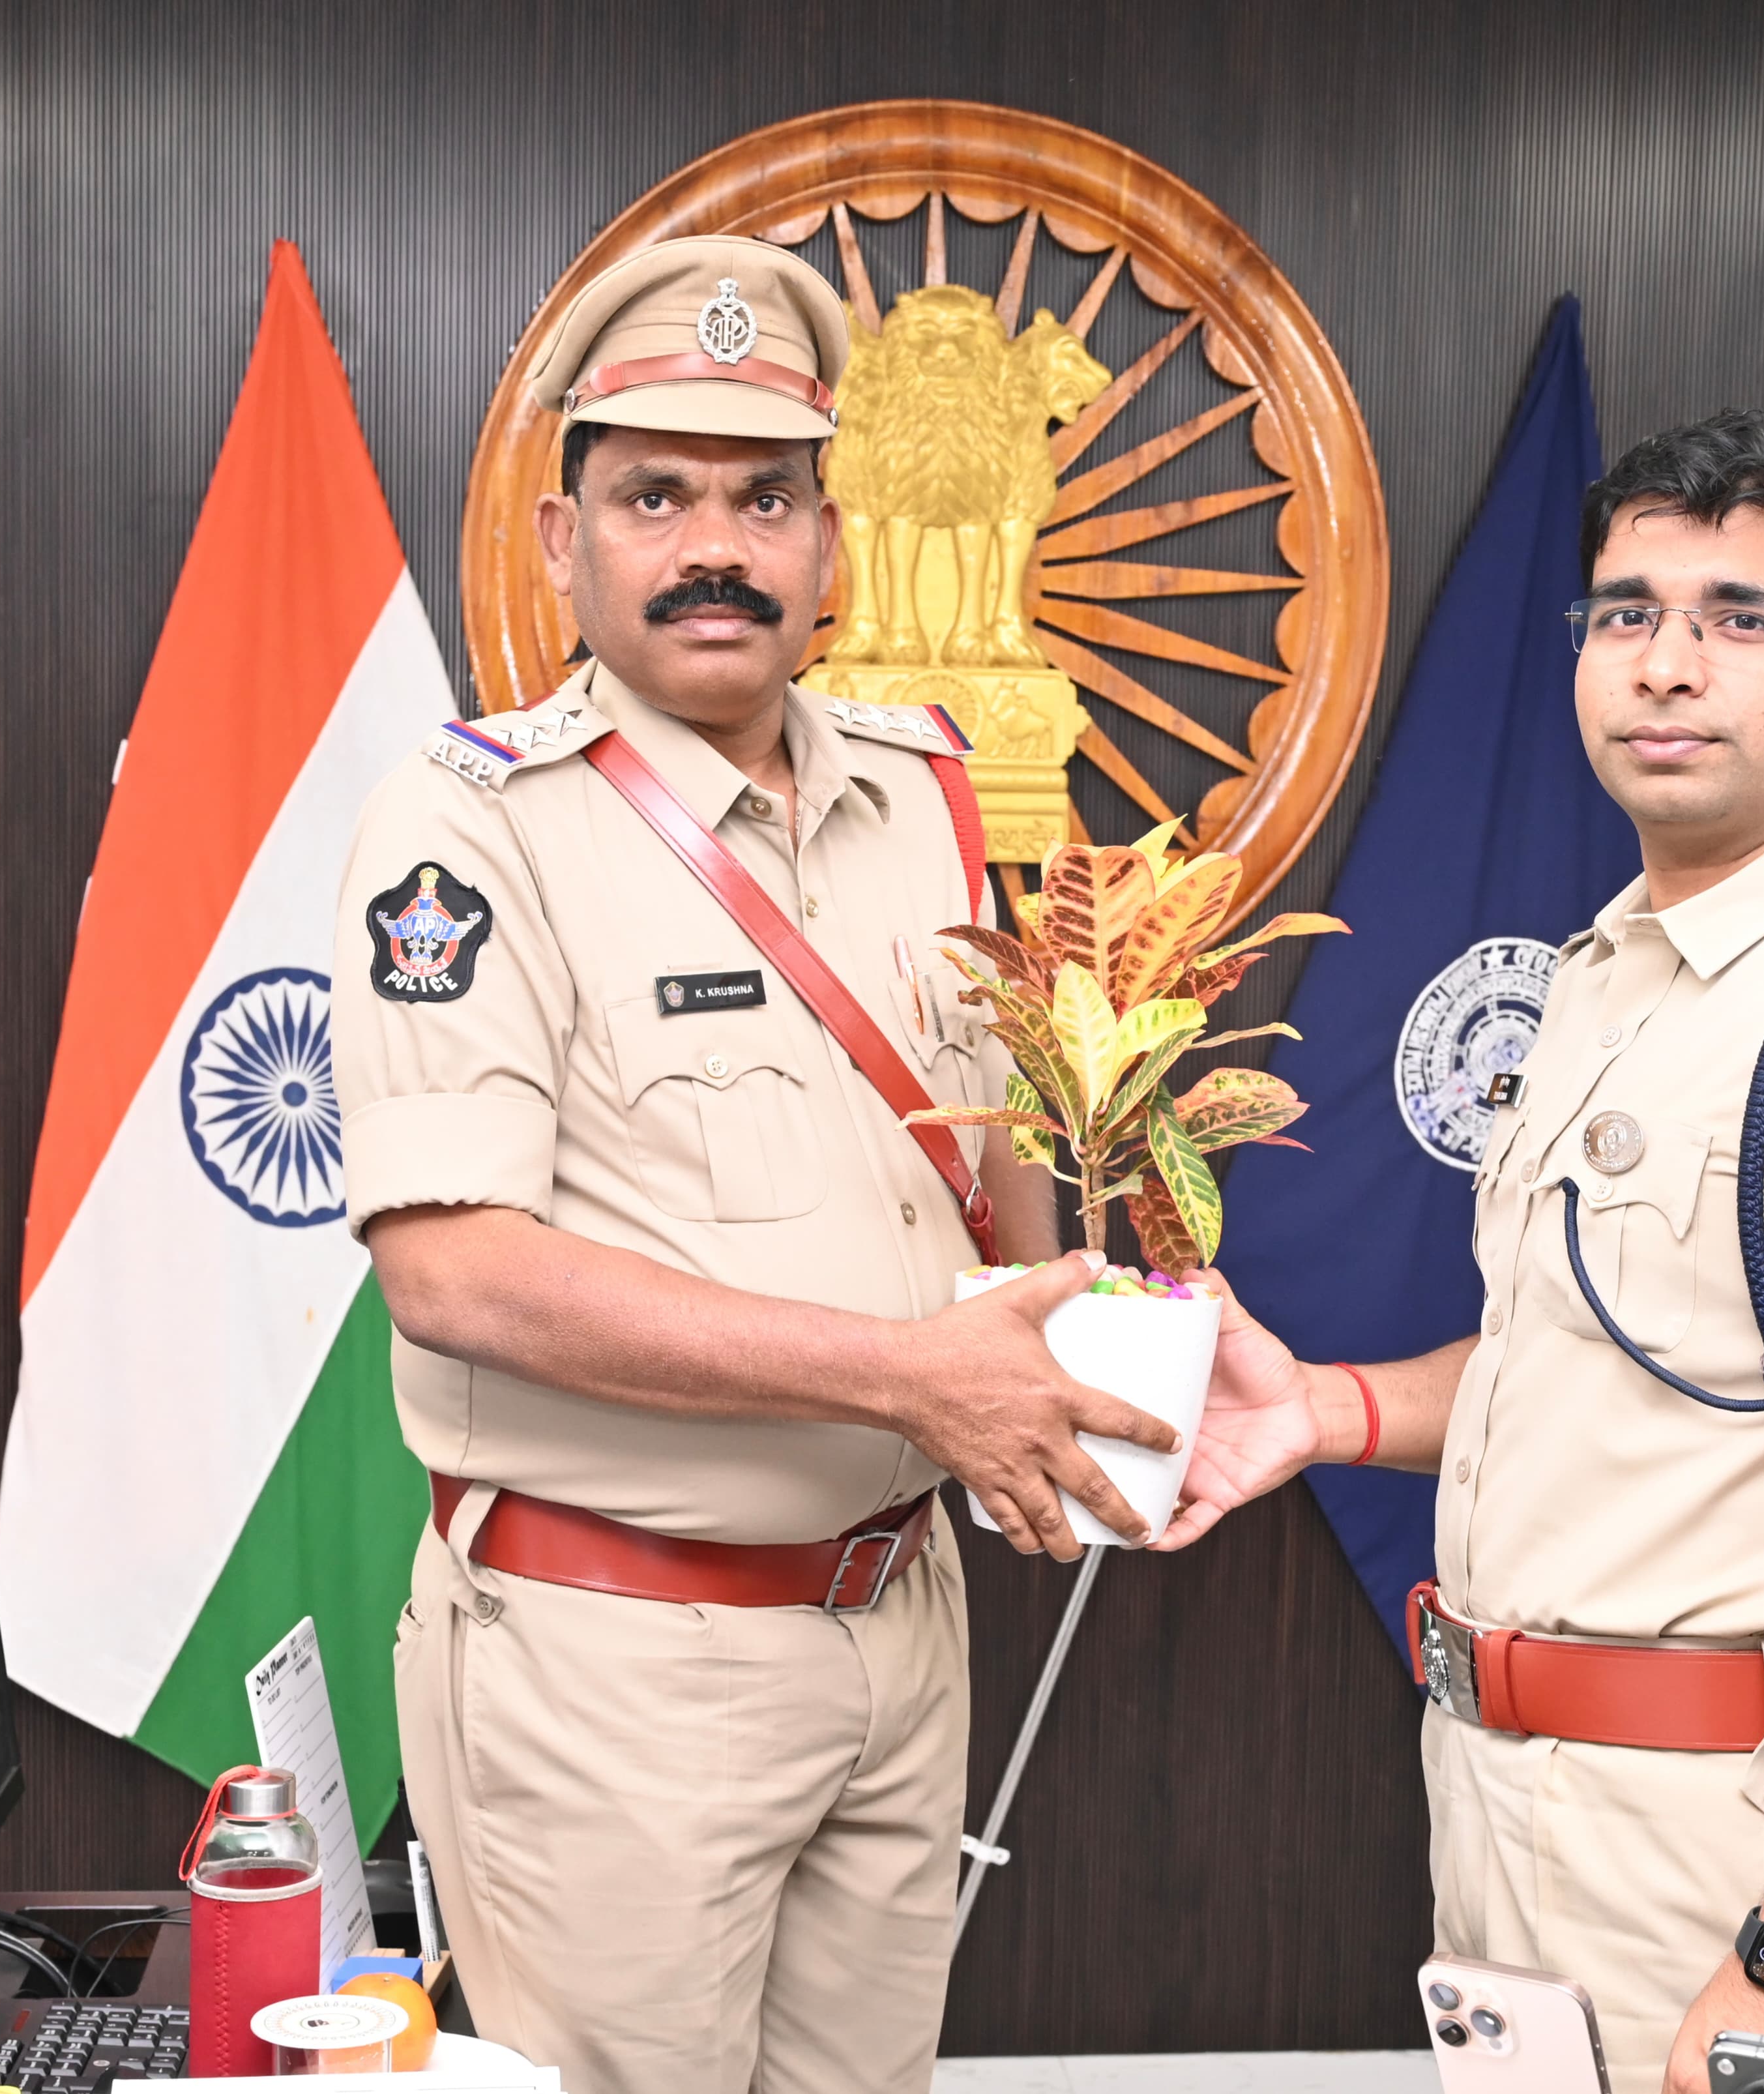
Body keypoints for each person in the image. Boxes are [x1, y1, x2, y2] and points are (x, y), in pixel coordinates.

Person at [1158, 409, 1764, 2094]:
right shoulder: (1605, 981)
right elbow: (1590, 1364)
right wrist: (1324, 1408)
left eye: (1743, 618)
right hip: (1513, 1809)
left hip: (1734, 1853)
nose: (1667, 663)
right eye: (1626, 614)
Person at [331, 235, 1175, 2094]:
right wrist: (912, 1381)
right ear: (563, 543)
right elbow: (454, 1271)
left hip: (898, 1617)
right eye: (656, 497)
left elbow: (984, 1162)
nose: (715, 546)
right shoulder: (471, 828)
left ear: (833, 543)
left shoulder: (922, 790)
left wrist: (1084, 1346)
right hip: (621, 1661)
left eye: (765, 499)